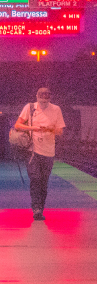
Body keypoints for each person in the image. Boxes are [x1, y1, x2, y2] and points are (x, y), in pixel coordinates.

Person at [13, 88, 65, 221]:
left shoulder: (56, 109)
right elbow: (18, 125)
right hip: (33, 150)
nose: (43, 100)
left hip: (48, 151)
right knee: (35, 179)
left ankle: (40, 208)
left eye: (46, 97)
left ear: (50, 98)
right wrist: (33, 128)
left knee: (43, 181)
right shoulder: (29, 108)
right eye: (41, 97)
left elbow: (60, 131)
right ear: (36, 96)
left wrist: (50, 129)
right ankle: (36, 208)